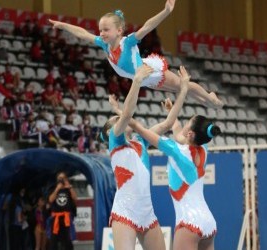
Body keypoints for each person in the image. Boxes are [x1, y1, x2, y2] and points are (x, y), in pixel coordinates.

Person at [48, 0, 223, 109]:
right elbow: (83, 34)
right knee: (179, 88)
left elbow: (147, 26)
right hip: (144, 78)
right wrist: (63, 26)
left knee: (183, 85)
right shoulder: (104, 44)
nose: (101, 33)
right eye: (100, 29)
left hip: (150, 71)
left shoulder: (128, 42)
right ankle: (208, 101)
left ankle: (210, 98)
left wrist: (167, 11)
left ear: (119, 30)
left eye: (106, 30)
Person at [98, 65, 189, 249]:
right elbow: (127, 115)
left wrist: (184, 89)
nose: (119, 120)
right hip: (125, 211)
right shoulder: (115, 142)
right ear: (110, 133)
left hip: (147, 212)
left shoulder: (141, 140)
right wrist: (137, 81)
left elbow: (168, 123)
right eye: (115, 121)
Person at [128, 114, 221, 250]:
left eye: (188, 122)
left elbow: (141, 130)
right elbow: (178, 132)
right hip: (209, 223)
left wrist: (122, 114)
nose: (184, 124)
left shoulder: (175, 150)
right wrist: (171, 110)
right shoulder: (204, 148)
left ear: (190, 133)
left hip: (189, 223)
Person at [48, 171, 77, 250]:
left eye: (63, 178)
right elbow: (50, 200)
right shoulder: (53, 188)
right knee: (54, 239)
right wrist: (57, 188)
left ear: (66, 179)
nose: (61, 180)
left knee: (67, 239)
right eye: (59, 178)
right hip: (56, 217)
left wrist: (69, 187)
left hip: (66, 217)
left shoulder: (68, 189)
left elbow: (75, 198)